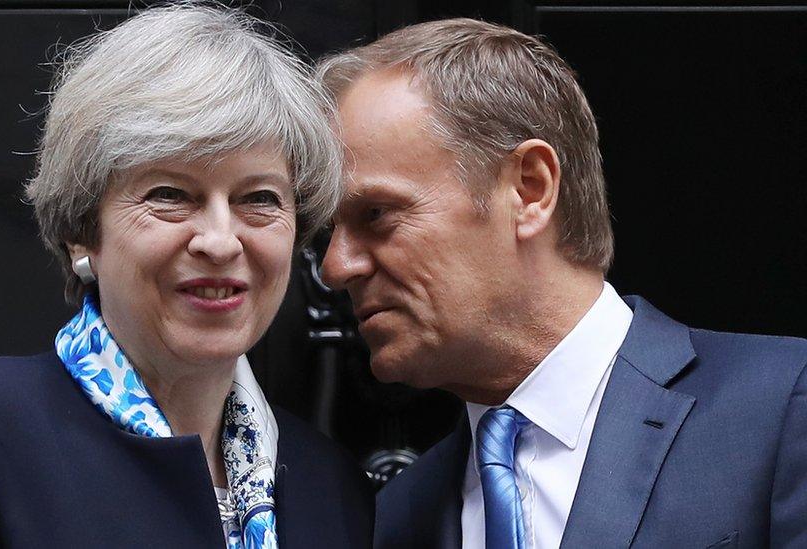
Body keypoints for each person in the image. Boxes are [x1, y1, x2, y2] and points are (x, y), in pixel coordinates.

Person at [0, 5, 373, 548]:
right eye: (169, 195)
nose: (219, 241)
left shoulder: (330, 484)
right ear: (83, 231)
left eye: (259, 199)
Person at [317, 17, 807, 549]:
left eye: (377, 214)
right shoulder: (397, 519)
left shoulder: (779, 409)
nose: (335, 267)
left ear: (530, 189)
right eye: (329, 230)